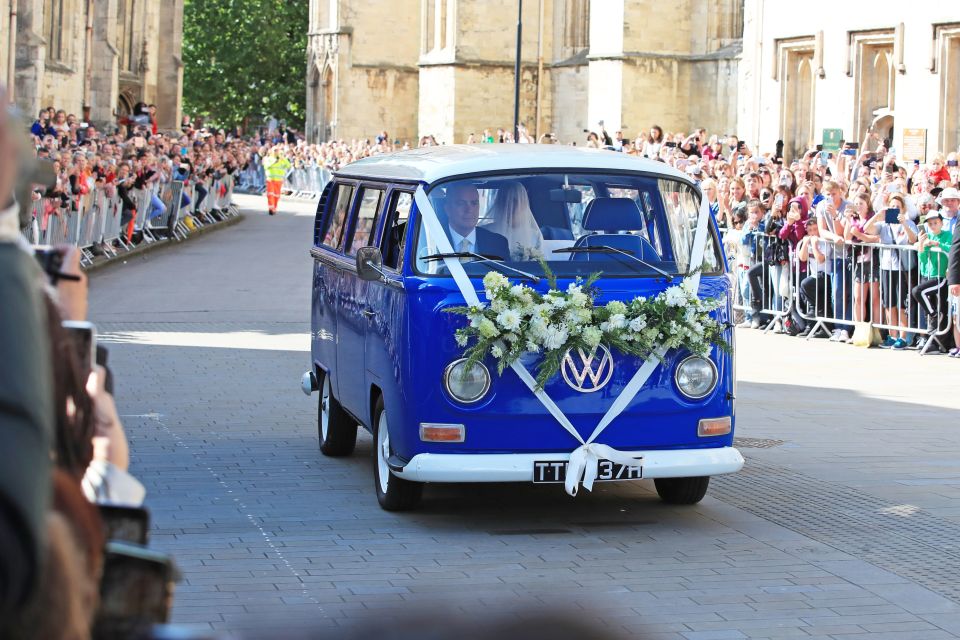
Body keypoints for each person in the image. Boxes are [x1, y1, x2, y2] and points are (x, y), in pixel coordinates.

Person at [911, 210, 952, 350]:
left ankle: (936, 318)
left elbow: (950, 250)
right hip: (927, 275)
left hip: (940, 276)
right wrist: (922, 245)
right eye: (930, 223)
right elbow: (922, 259)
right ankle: (932, 340)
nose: (933, 226)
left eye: (936, 223)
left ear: (941, 223)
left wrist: (936, 244)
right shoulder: (926, 236)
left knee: (918, 292)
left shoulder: (947, 235)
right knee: (925, 304)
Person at [443, 183, 510, 259]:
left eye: (474, 203)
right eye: (461, 203)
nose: (469, 210)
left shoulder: (498, 243)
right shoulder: (432, 242)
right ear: (447, 209)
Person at [484, 182, 543, 260]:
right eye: (505, 200)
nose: (510, 206)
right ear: (499, 203)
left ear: (524, 204)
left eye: (515, 201)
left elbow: (543, 266)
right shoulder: (485, 231)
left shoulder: (535, 235)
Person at [262, 146, 292, 215]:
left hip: (279, 180)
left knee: (276, 195)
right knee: (270, 194)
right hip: (270, 180)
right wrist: (274, 161)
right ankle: (271, 209)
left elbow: (288, 165)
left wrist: (283, 158)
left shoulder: (281, 159)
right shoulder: (269, 159)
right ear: (272, 151)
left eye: (277, 150)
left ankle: (274, 208)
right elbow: (266, 166)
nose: (276, 152)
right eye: (275, 150)